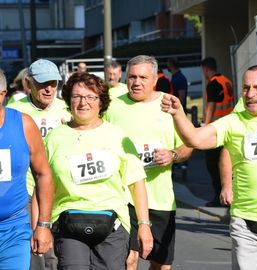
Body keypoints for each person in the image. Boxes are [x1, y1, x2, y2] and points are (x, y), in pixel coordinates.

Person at [161, 64, 257, 270]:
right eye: (246, 88)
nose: (250, 94)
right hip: (248, 225)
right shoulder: (234, 122)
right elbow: (195, 139)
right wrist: (178, 115)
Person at [44, 72, 153, 270]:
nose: (83, 102)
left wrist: (144, 225)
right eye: (76, 96)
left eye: (90, 97)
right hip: (67, 223)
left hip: (112, 226)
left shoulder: (118, 136)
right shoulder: (54, 138)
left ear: (101, 102)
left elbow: (137, 183)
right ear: (68, 100)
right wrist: (41, 226)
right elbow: (42, 185)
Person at [104, 55, 193, 270]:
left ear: (154, 79)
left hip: (160, 198)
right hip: (125, 197)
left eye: (143, 77)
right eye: (132, 77)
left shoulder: (169, 104)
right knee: (129, 259)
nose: (136, 82)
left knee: (161, 265)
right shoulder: (113, 107)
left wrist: (172, 155)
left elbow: (189, 145)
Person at [8, 58, 71, 270]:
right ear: (29, 83)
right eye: (43, 83)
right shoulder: (15, 110)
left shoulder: (67, 109)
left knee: (56, 253)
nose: (49, 89)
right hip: (24, 190)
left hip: (60, 190)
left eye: (54, 83)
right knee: (33, 251)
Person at [0, 69, 54, 269]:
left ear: (3, 94)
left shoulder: (23, 124)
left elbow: (43, 174)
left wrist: (43, 225)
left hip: (13, 230)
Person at [200, 57, 234, 207]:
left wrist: (205, 127)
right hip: (230, 127)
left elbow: (210, 107)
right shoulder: (226, 80)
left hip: (217, 129)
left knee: (213, 164)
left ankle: (218, 195)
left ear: (206, 69)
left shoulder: (213, 84)